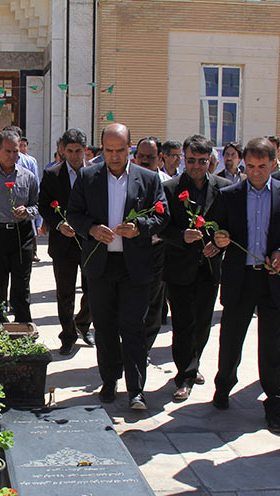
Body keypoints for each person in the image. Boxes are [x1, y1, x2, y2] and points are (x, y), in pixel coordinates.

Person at [68, 123, 168, 410]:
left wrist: (140, 228)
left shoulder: (148, 179)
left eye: (120, 150)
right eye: (109, 151)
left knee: (134, 327)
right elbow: (74, 213)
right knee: (105, 327)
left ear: (130, 148)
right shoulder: (88, 177)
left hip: (133, 266)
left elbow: (163, 215)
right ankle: (109, 381)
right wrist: (90, 229)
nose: (114, 156)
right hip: (101, 265)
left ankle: (136, 389)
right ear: (101, 150)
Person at [212, 138, 280, 433]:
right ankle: (223, 386)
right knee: (231, 338)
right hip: (240, 278)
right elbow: (215, 227)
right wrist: (218, 238)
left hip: (273, 279)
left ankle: (274, 401)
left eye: (263, 166)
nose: (257, 172)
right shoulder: (229, 195)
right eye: (252, 166)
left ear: (274, 163)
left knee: (273, 345)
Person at [160, 134, 231, 402]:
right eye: (191, 160)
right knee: (182, 323)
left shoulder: (224, 188)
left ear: (211, 160)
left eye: (202, 161)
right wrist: (181, 236)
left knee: (202, 324)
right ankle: (184, 375)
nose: (196, 166)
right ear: (182, 159)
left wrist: (220, 244)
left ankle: (194, 361)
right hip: (179, 266)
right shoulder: (170, 189)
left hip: (209, 268)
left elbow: (229, 227)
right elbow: (161, 227)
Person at [38, 128, 93, 355]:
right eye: (69, 151)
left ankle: (83, 323)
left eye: (78, 151)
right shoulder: (52, 174)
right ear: (62, 150)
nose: (73, 155)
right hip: (63, 244)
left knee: (93, 289)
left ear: (85, 151)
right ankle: (68, 334)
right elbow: (43, 205)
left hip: (90, 241)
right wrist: (59, 224)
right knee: (65, 292)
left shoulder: (96, 174)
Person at [0, 128, 39, 322]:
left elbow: (38, 206)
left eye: (16, 151)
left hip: (21, 235)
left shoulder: (28, 176)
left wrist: (27, 212)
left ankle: (23, 326)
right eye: (8, 151)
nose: (13, 155)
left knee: (21, 286)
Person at [132, 136, 171, 362]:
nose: (145, 161)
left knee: (154, 302)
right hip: (131, 249)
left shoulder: (167, 184)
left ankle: (144, 348)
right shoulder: (126, 180)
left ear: (160, 158)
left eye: (151, 157)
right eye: (142, 156)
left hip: (157, 249)